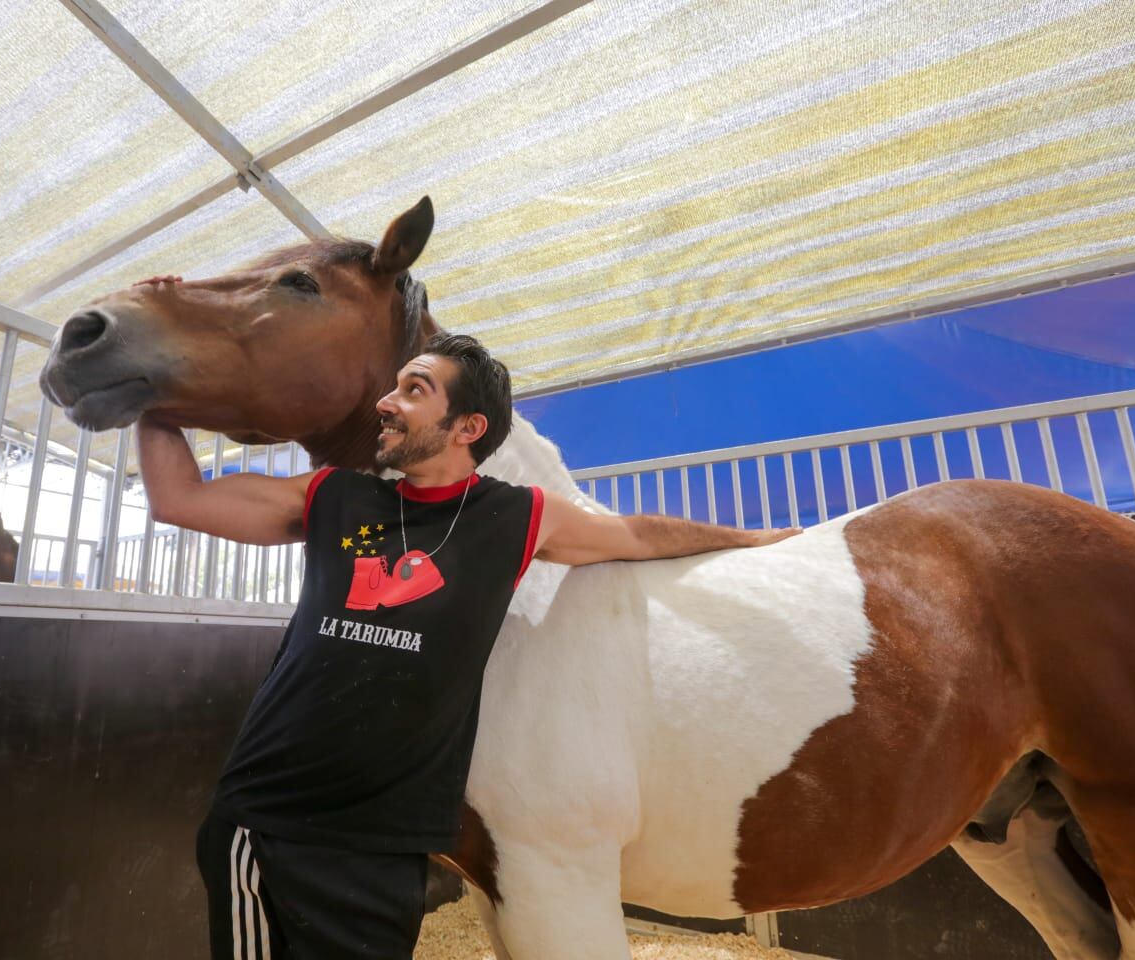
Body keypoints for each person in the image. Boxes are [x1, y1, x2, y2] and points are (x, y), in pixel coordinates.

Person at [136, 331, 798, 960]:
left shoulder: (515, 518)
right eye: (394, 388)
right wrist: (148, 398)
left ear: (467, 428)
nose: (385, 404)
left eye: (413, 390)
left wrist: (759, 542)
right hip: (267, 824)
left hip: (393, 848)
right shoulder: (335, 493)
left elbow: (638, 537)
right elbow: (179, 499)